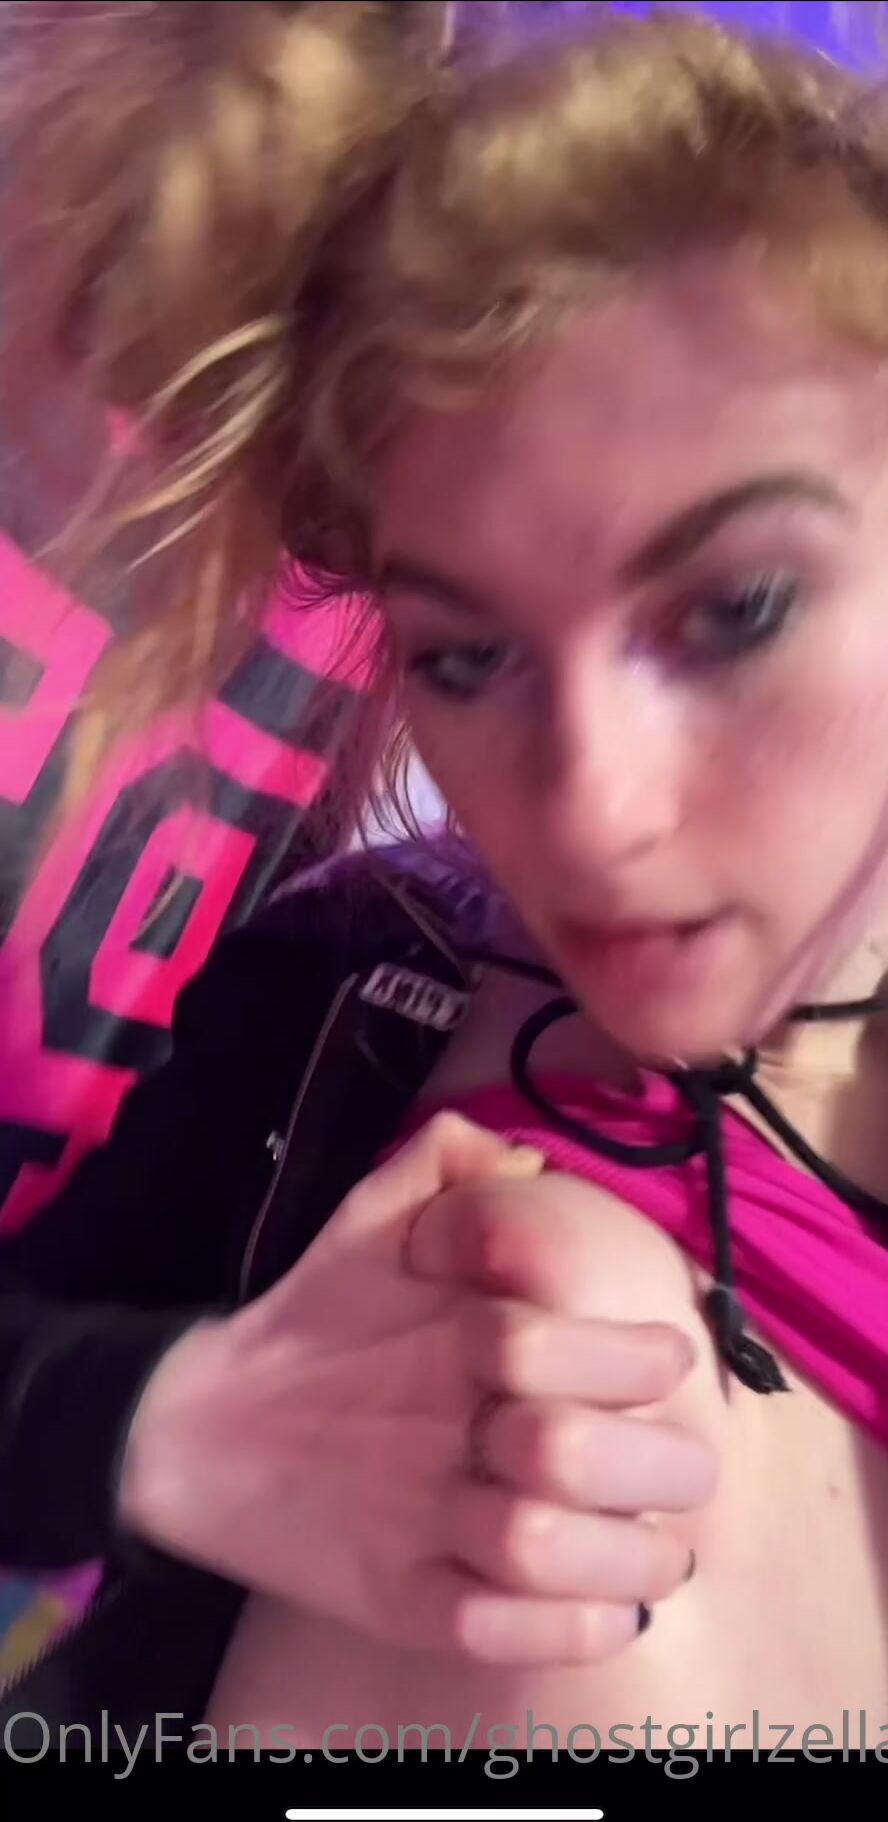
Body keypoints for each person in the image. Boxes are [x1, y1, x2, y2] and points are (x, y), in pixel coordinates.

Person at [1, 0, 886, 1749]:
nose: (595, 815)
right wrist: (166, 1421)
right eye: (468, 658)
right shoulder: (352, 987)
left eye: (737, 609)